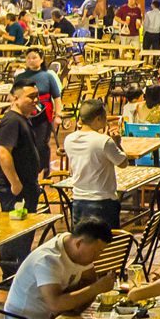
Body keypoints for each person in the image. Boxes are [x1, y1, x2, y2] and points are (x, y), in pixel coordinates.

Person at [64, 98, 132, 229]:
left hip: (78, 200)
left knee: (83, 243)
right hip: (103, 202)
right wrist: (117, 142)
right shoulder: (104, 141)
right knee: (107, 245)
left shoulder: (69, 139)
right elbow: (123, 163)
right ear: (98, 119)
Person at [0, 82, 45, 213]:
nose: (35, 100)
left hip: (28, 186)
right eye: (31, 96)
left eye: (37, 96)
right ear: (15, 99)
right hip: (16, 190)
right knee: (20, 230)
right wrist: (15, 183)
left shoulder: (23, 118)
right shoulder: (11, 121)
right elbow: (3, 153)